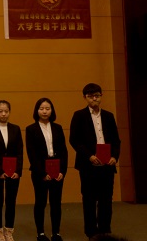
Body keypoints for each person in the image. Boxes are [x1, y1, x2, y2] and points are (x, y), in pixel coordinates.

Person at [69, 83, 121, 239]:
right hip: (88, 164)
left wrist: (114, 157)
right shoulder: (79, 115)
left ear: (101, 96)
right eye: (91, 96)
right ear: (85, 97)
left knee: (106, 199)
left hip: (107, 163)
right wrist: (89, 156)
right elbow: (74, 140)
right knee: (89, 199)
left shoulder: (109, 116)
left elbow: (116, 140)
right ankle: (91, 231)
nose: (94, 99)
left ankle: (104, 230)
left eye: (97, 96)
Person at [25, 97, 68, 241]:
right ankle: (41, 233)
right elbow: (32, 153)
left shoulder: (58, 128)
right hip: (40, 170)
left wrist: (62, 171)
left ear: (52, 111)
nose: (44, 111)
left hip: (57, 169)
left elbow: (64, 151)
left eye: (47, 109)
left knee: (56, 203)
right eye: (41, 108)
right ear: (36, 111)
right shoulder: (31, 129)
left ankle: (56, 233)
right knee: (40, 202)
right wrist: (42, 173)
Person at [0, 100, 24, 241]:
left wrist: (18, 171)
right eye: (0, 111)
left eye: (6, 111)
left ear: (9, 112)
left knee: (11, 201)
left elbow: (20, 152)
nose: (3, 114)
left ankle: (9, 230)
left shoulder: (16, 129)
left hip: (13, 172)